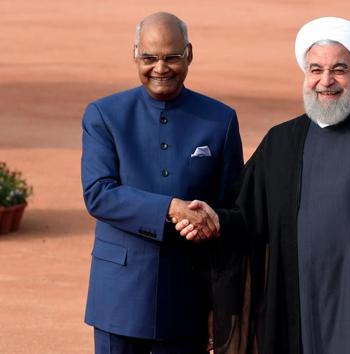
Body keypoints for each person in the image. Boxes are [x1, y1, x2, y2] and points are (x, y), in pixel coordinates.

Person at [176, 16, 350, 354]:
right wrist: (215, 219)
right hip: (297, 296)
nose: (326, 81)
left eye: (339, 69)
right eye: (315, 69)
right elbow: (247, 214)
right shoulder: (282, 141)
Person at [81, 12, 243, 354]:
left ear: (189, 54)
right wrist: (170, 208)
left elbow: (230, 211)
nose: (160, 68)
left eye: (171, 57)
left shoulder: (220, 120)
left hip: (188, 298)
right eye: (150, 58)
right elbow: (98, 194)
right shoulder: (104, 115)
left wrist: (221, 303)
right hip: (118, 298)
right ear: (135, 55)